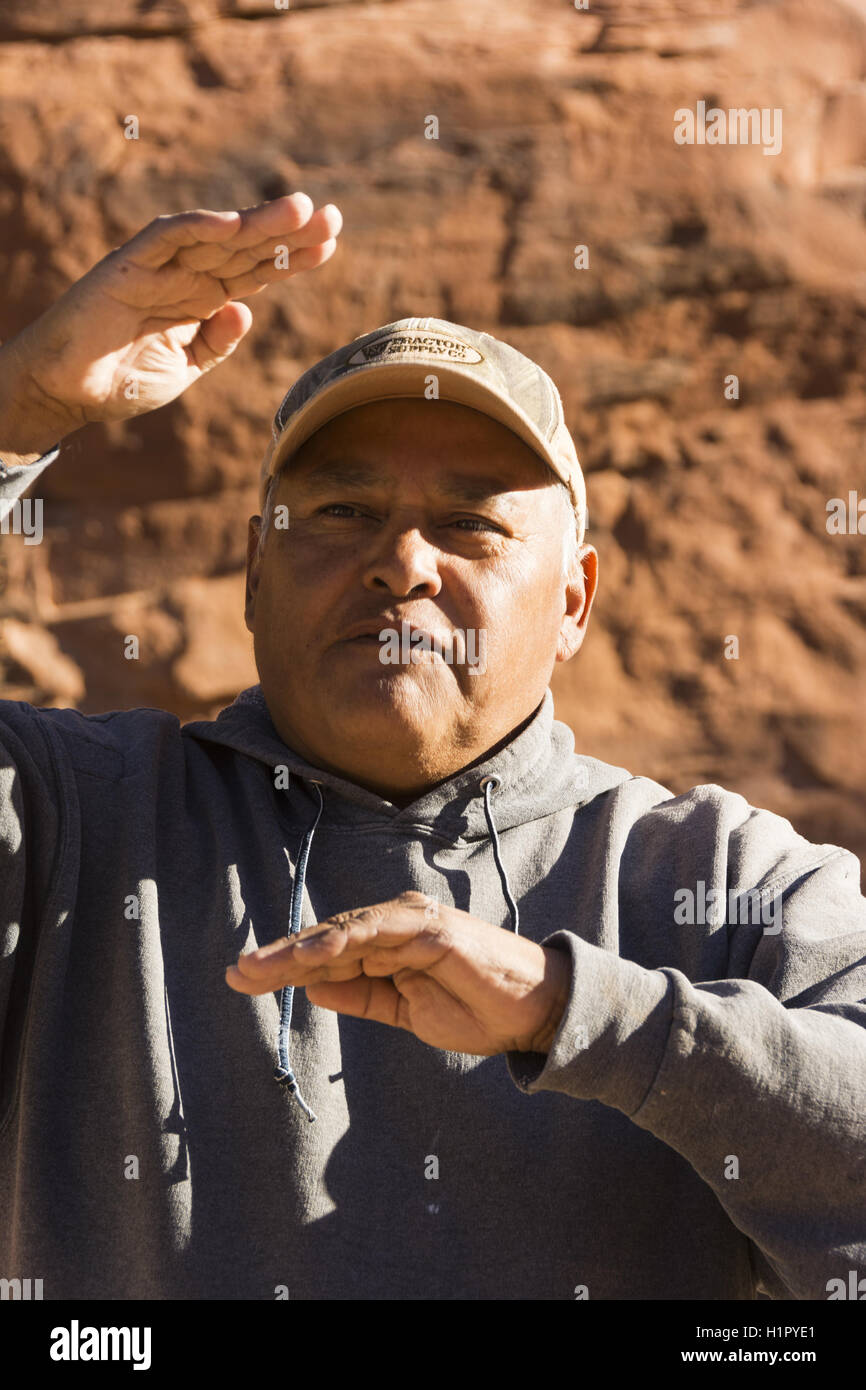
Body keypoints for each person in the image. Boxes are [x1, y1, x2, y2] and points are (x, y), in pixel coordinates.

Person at [0, 195, 863, 1302]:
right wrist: (22, 404)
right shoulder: (72, 821)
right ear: (253, 575)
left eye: (469, 523)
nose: (400, 562)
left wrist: (572, 1011)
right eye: (342, 512)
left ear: (572, 599)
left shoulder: (722, 880)